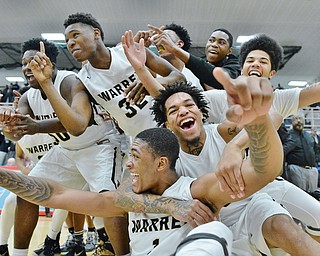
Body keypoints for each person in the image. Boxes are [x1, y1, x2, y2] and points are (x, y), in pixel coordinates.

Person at [0, 123, 319, 255]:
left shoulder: (194, 190)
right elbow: (54, 193)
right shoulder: (123, 200)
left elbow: (264, 170)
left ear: (161, 163)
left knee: (216, 234)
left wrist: (256, 126)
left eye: (135, 158)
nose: (127, 165)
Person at [0, 38, 125, 256]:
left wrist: (36, 126)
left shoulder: (70, 82)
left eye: (33, 61)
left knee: (109, 202)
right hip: (67, 151)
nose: (27, 68)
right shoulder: (28, 97)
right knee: (27, 191)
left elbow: (78, 125)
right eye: (23, 64)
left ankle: (123, 253)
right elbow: (17, 129)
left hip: (99, 146)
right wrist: (9, 125)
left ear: (49, 61)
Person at [200, 33, 320, 242]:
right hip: (232, 187)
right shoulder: (220, 98)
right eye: (250, 60)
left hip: (268, 181)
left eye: (263, 61)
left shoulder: (279, 99)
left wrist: (235, 147)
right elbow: (179, 98)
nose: (256, 64)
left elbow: (312, 93)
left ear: (271, 72)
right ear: (242, 67)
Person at [0, 133, 57, 256]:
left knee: (65, 204)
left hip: (59, 174)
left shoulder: (51, 128)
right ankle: (2, 245)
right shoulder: (21, 134)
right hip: (36, 175)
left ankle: (53, 240)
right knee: (10, 200)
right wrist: (26, 171)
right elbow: (19, 157)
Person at [149, 25, 240, 90]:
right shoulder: (197, 68)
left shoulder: (236, 65)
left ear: (229, 51)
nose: (214, 45)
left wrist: (174, 49)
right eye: (211, 40)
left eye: (221, 42)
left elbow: (219, 78)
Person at [283, 115, 318, 192]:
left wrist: (315, 166)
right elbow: (283, 152)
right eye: (296, 119)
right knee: (300, 195)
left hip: (312, 170)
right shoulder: (288, 135)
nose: (298, 121)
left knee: (314, 197)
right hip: (296, 169)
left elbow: (315, 151)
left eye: (300, 119)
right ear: (292, 122)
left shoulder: (309, 136)